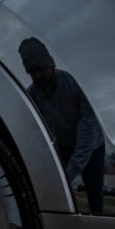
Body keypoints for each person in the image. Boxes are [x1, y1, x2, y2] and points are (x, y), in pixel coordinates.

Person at [18, 37, 105, 214]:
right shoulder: (34, 94)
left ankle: (98, 228)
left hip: (93, 147)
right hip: (64, 146)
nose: (37, 76)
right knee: (60, 193)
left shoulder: (73, 84)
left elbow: (87, 132)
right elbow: (30, 131)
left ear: (50, 65)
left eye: (40, 70)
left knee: (94, 193)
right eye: (31, 72)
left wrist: (69, 172)